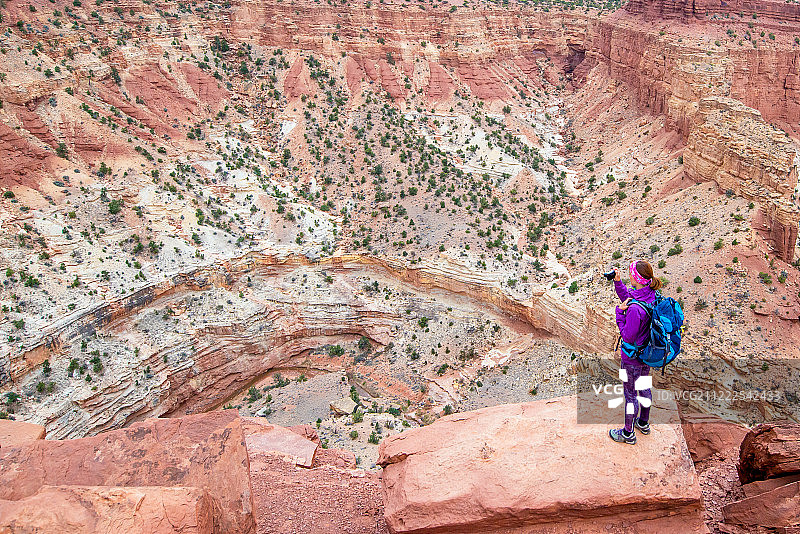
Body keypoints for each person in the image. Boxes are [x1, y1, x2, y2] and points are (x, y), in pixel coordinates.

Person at [608, 260, 663, 445]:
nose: (629, 275)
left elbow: (627, 336)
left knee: (631, 395)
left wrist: (619, 313)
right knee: (644, 388)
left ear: (635, 277)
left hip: (631, 358)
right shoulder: (651, 294)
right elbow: (628, 296)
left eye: (630, 273)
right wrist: (618, 282)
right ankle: (644, 422)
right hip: (647, 354)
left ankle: (628, 433)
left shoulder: (634, 310)